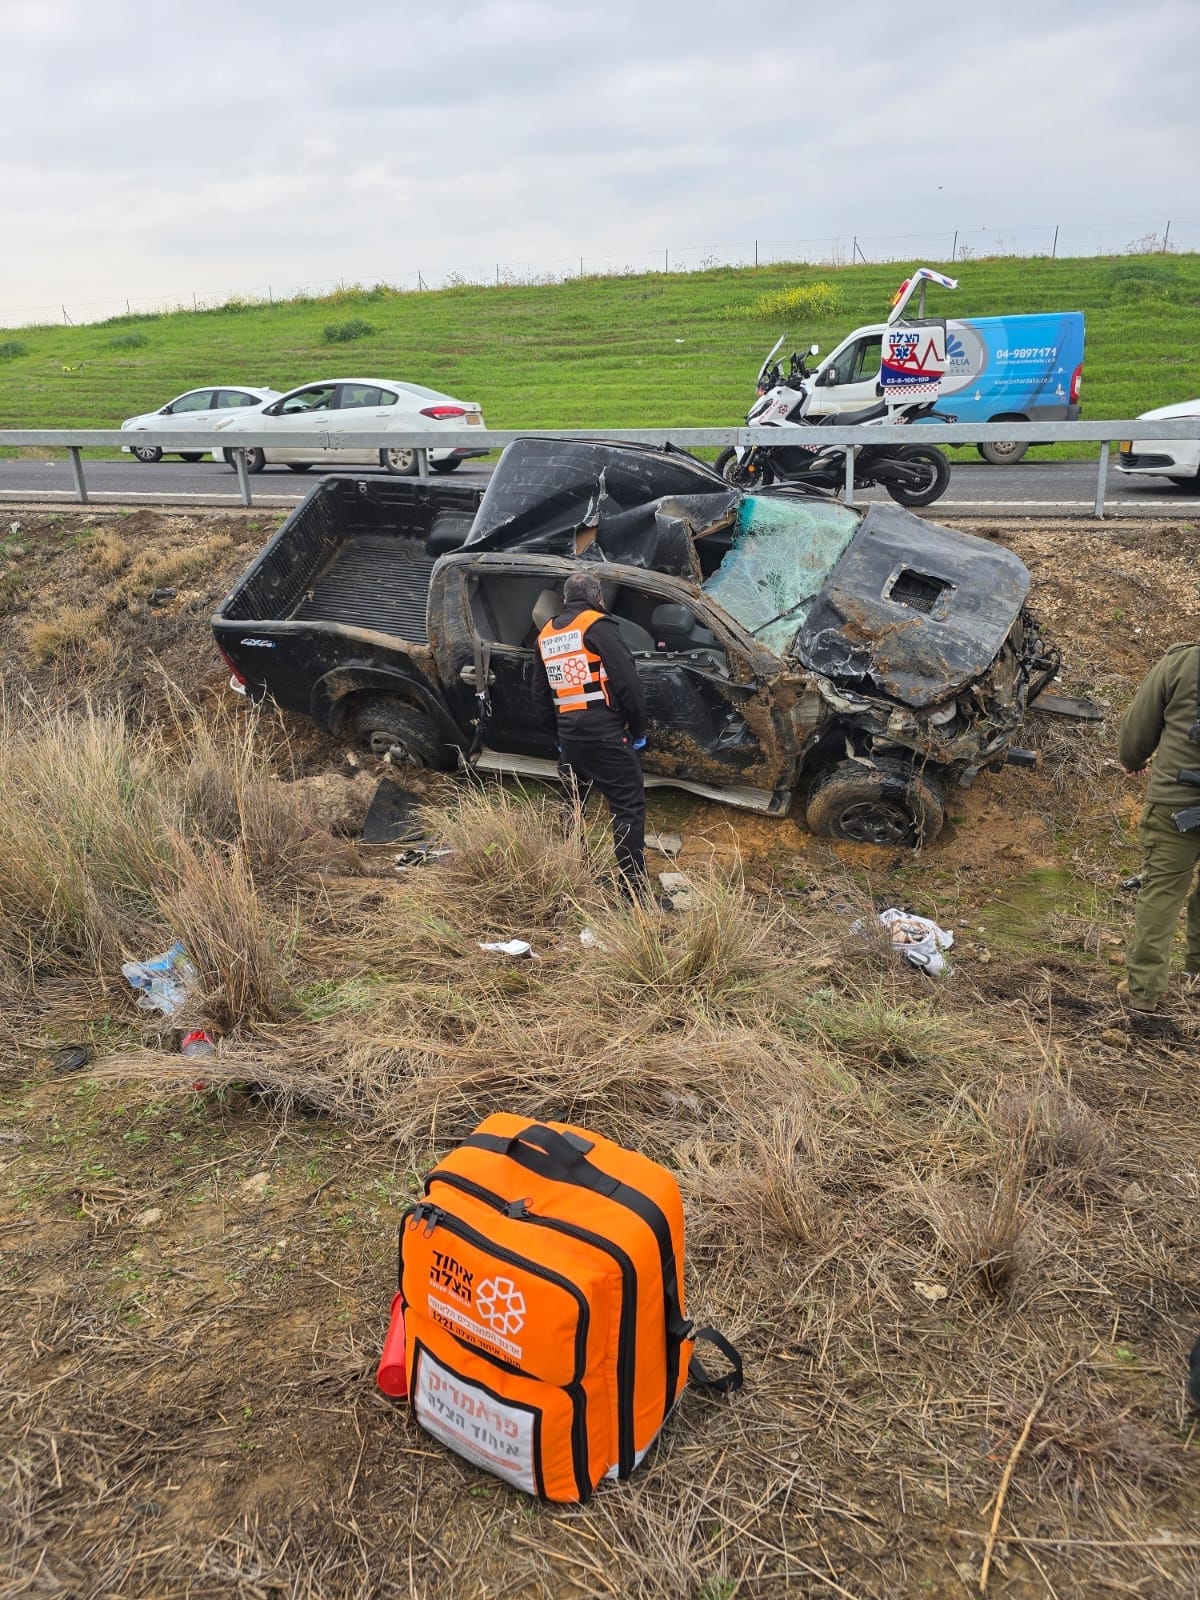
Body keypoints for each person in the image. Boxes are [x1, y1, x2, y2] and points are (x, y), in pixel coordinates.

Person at [533, 570, 651, 899]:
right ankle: (634, 895)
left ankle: (576, 873)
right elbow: (628, 683)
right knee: (628, 807)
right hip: (606, 735)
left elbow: (541, 695)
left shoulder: (545, 635)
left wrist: (556, 735)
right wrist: (638, 728)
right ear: (597, 597)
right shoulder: (597, 625)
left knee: (572, 804)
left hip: (570, 737)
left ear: (566, 599)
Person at [1116, 639, 1200, 1012]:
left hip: (1176, 803)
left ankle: (1144, 994)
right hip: (1177, 804)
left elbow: (1138, 731)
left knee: (1162, 894)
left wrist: (1133, 758)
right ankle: (1196, 976)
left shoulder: (1182, 662)